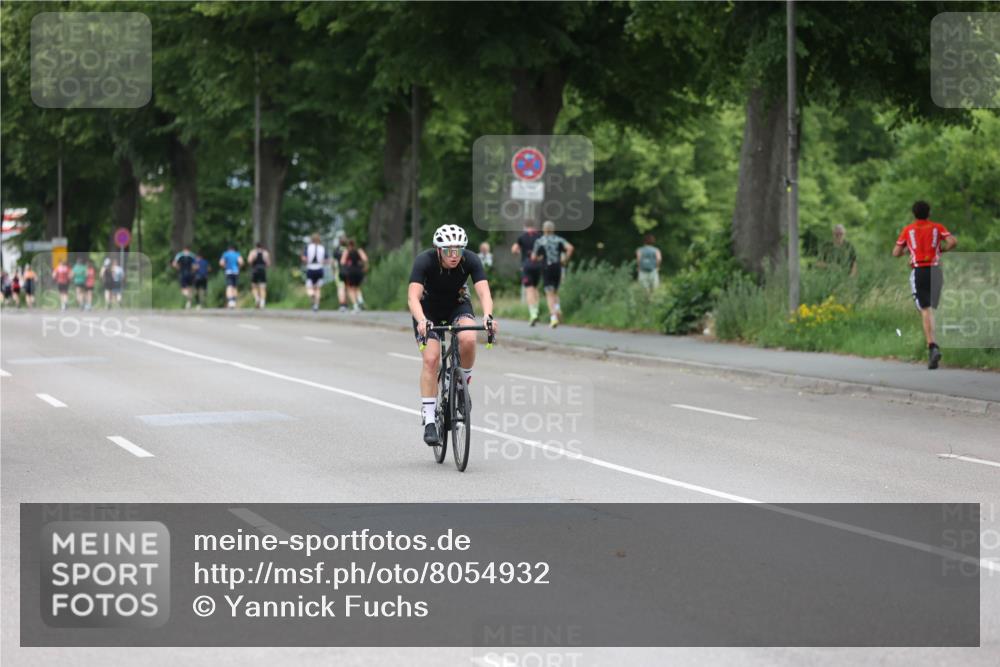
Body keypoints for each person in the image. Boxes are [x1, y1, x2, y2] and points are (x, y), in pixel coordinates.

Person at [409, 224, 498, 445]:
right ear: (438, 249)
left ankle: (460, 384)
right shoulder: (424, 260)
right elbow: (413, 297)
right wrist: (421, 320)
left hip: (456, 305)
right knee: (431, 360)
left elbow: (484, 291)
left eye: (458, 250)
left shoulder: (470, 259)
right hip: (427, 310)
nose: (454, 255)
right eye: (448, 250)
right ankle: (429, 420)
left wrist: (488, 316)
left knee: (468, 337)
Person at [893, 200, 957, 370]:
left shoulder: (908, 230)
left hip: (919, 270)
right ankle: (938, 340)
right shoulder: (937, 227)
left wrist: (909, 251)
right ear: (929, 213)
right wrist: (941, 250)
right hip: (936, 271)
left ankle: (932, 346)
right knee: (931, 309)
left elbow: (896, 252)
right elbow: (952, 241)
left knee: (924, 309)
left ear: (914, 214)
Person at [531, 220, 574, 328]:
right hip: (557, 267)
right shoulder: (559, 239)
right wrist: (565, 260)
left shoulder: (540, 241)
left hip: (547, 268)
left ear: (544, 229)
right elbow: (570, 248)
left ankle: (553, 318)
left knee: (549, 293)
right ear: (553, 229)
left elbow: (533, 257)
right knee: (555, 291)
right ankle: (558, 307)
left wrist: (539, 258)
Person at [510, 220, 543, 325]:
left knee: (529, 290)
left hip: (527, 266)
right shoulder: (540, 236)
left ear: (525, 227)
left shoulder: (522, 237)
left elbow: (514, 249)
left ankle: (533, 314)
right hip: (538, 266)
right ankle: (536, 310)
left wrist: (519, 252)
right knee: (535, 288)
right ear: (534, 226)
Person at [301, 233, 328, 313]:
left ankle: (312, 294)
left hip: (310, 268)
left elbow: (304, 258)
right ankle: (316, 305)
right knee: (318, 288)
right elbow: (326, 259)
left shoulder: (308, 247)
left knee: (309, 287)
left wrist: (305, 260)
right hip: (319, 268)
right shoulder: (322, 248)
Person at [339, 239, 368, 312]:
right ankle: (360, 300)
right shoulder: (359, 250)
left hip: (350, 272)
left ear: (348, 245)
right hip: (359, 271)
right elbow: (365, 259)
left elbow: (342, 262)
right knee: (357, 287)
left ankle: (355, 305)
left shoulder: (347, 251)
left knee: (350, 289)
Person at [219, 244, 244, 309]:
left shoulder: (225, 254)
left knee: (229, 286)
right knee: (235, 286)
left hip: (228, 271)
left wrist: (225, 266)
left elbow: (221, 262)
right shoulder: (237, 254)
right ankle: (234, 301)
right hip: (236, 272)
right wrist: (238, 267)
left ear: (228, 249)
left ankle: (230, 301)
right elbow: (241, 262)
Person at [247, 242, 271, 309]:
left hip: (255, 270)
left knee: (254, 286)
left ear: (256, 246)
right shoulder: (265, 253)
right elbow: (268, 263)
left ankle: (257, 298)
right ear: (262, 247)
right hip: (262, 270)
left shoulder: (253, 252)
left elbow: (249, 261)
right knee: (263, 287)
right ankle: (262, 302)